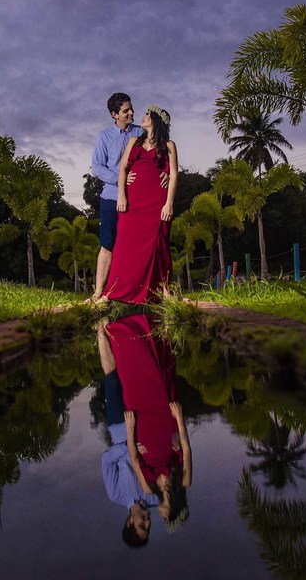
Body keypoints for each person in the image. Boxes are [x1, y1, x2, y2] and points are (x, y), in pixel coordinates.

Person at [105, 312, 192, 528]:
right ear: (173, 512)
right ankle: (159, 322)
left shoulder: (148, 490)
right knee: (162, 378)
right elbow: (186, 449)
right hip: (165, 424)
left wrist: (131, 430)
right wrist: (180, 419)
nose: (158, 518)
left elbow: (135, 460)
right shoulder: (184, 481)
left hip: (142, 427)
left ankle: (121, 329)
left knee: (132, 379)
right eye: (164, 518)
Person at [101, 104, 178, 305]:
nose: (142, 117)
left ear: (156, 120)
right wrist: (121, 196)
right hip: (133, 202)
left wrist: (169, 203)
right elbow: (123, 169)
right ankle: (112, 291)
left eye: (147, 114)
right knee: (124, 245)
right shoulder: (134, 141)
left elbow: (174, 174)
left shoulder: (169, 145)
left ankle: (163, 291)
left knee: (159, 245)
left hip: (157, 201)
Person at [97, 322, 160, 547]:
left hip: (118, 427)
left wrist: (128, 446)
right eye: (149, 526)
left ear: (129, 523)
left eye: (142, 525)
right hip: (144, 426)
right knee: (136, 373)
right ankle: (129, 327)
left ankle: (100, 327)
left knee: (111, 379)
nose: (148, 521)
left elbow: (106, 459)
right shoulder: (155, 497)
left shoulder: (116, 494)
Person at [89, 93, 144, 304]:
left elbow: (157, 151)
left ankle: (135, 293)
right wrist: (119, 179)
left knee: (135, 244)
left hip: (137, 199)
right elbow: (97, 166)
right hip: (111, 198)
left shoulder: (140, 132)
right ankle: (98, 292)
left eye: (131, 108)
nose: (131, 113)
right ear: (114, 115)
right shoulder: (104, 137)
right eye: (125, 111)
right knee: (107, 244)